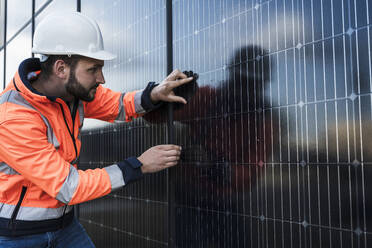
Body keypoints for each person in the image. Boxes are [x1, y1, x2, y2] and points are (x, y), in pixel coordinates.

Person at [0, 11, 194, 247]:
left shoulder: (73, 91)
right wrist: (139, 165)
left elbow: (118, 104)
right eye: (93, 69)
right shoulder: (13, 117)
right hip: (17, 237)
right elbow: (69, 187)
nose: (101, 78)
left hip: (65, 226)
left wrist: (154, 94)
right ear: (61, 68)